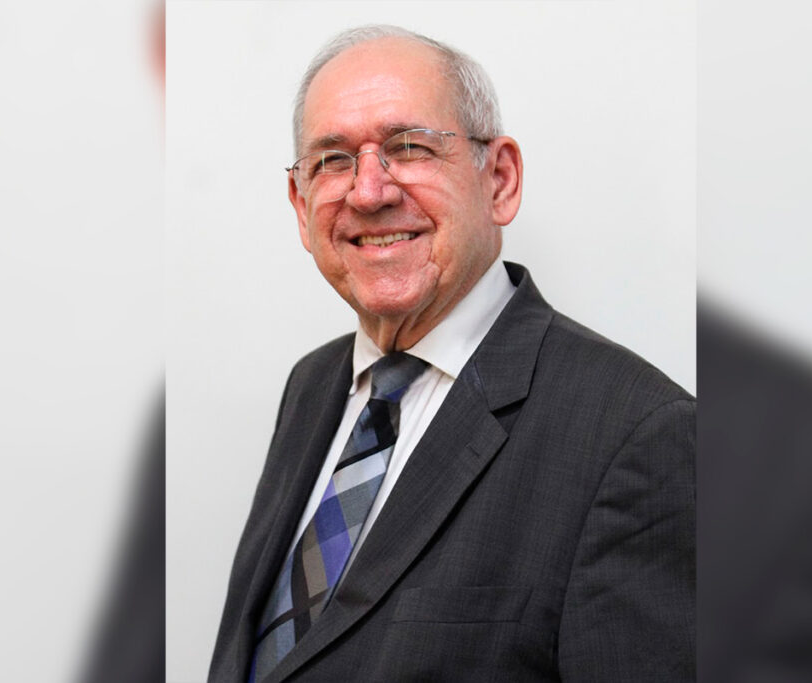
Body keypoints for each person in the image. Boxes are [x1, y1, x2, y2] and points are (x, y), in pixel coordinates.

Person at [209, 25, 695, 683]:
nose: (369, 191)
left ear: (500, 180)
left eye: (408, 147)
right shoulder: (313, 385)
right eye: (333, 160)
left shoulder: (636, 434)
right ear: (301, 205)